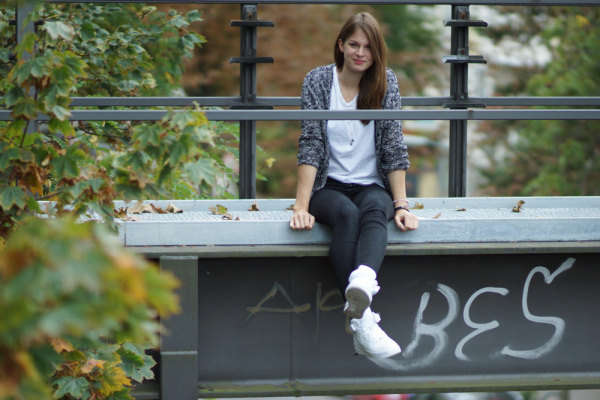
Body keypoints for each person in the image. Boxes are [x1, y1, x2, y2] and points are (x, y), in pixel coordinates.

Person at [289, 12, 419, 359]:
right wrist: (301, 207)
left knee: (377, 208)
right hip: (328, 187)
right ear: (341, 46)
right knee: (347, 214)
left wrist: (402, 205)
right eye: (354, 45)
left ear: (377, 52)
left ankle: (362, 281)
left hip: (369, 184)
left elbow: (393, 145)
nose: (361, 53)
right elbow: (311, 143)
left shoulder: (385, 83)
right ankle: (365, 322)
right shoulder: (318, 82)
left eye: (368, 47)